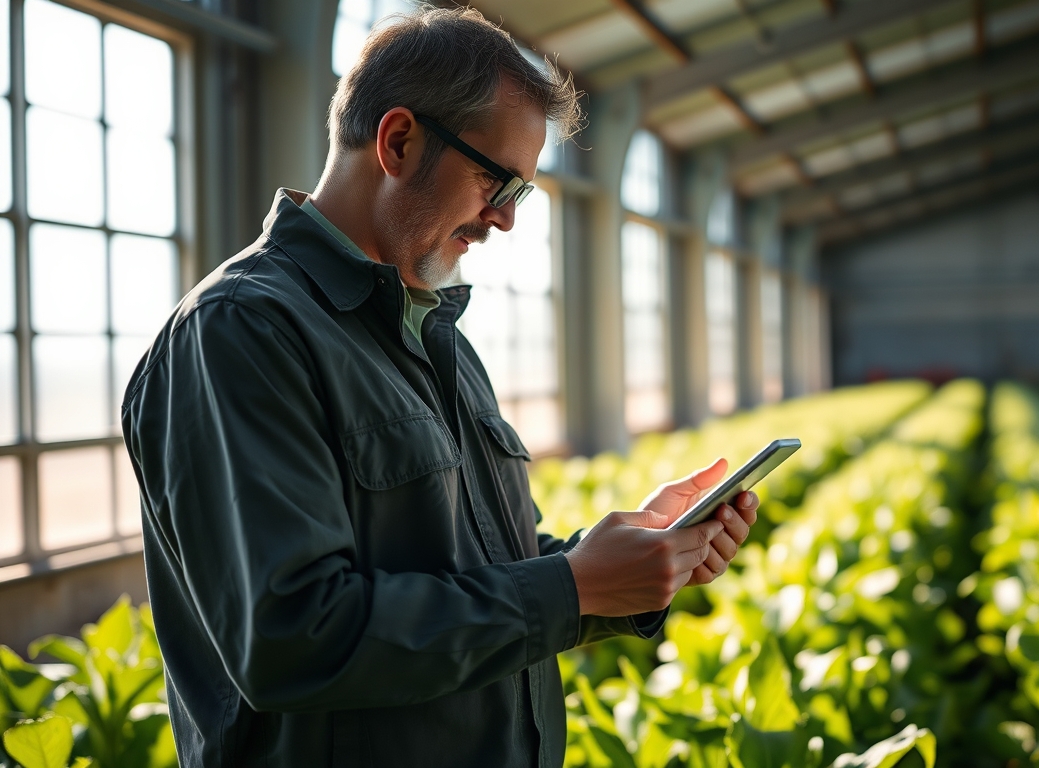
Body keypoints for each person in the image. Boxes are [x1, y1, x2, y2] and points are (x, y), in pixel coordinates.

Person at [120, 8, 758, 767]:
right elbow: (294, 637)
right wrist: (569, 588)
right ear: (397, 141)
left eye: (520, 194)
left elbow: (473, 574)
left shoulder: (431, 330)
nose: (504, 220)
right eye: (497, 181)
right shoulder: (240, 332)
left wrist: (621, 565)